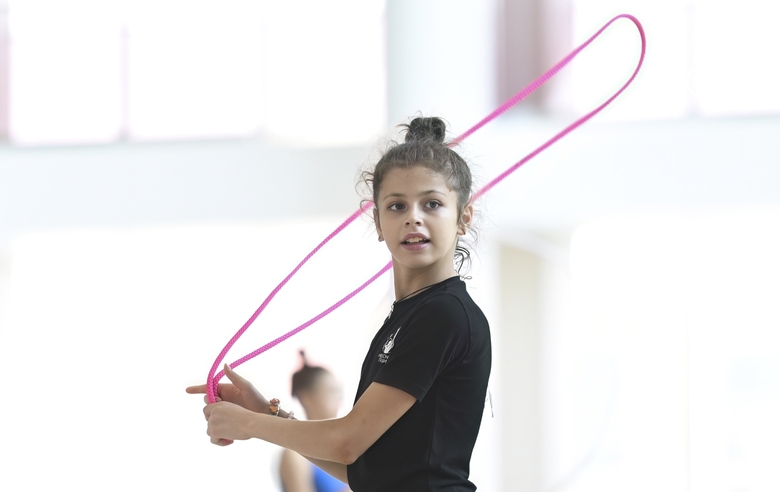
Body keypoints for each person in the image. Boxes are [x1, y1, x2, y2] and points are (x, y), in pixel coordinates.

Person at [187, 116, 492, 492]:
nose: (413, 217)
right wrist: (266, 411)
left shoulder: (443, 315)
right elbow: (365, 471)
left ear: (463, 217)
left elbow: (347, 443)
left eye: (432, 203)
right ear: (378, 222)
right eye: (396, 206)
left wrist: (249, 425)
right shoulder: (408, 315)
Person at [278, 351, 351, 492]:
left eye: (338, 393)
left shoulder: (342, 448)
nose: (338, 400)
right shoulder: (295, 454)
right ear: (307, 397)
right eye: (331, 391)